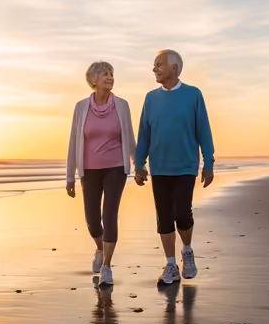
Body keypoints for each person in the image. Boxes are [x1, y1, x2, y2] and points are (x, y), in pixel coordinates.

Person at [134, 50, 215, 285]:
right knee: (164, 218)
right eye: (154, 65)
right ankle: (170, 264)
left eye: (159, 65)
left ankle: (187, 251)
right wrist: (139, 164)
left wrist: (208, 162)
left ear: (175, 69)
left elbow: (204, 130)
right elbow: (144, 133)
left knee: (182, 212)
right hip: (159, 167)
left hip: (185, 165)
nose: (154, 69)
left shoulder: (193, 95)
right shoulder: (150, 98)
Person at [66, 61, 136, 286]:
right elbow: (73, 143)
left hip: (116, 167)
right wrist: (70, 176)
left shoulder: (122, 106)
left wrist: (141, 165)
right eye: (105, 73)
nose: (110, 77)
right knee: (92, 221)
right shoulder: (81, 107)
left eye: (112, 73)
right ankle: (99, 248)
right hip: (89, 170)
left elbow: (130, 138)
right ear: (93, 80)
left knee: (110, 214)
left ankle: (107, 265)